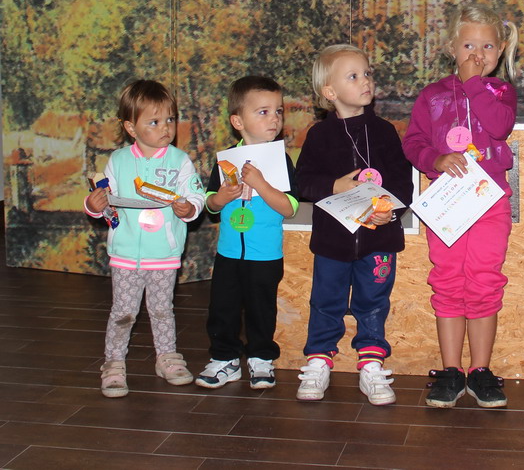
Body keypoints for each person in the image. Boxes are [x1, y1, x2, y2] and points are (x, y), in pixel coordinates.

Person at [402, 2, 518, 409]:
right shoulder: (432, 96)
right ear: (452, 48)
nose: (477, 54)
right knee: (448, 279)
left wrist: (472, 84)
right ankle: (450, 370)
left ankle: (480, 370)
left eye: (487, 47)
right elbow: (413, 142)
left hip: (489, 203)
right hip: (447, 204)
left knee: (485, 279)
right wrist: (434, 160)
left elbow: (500, 126)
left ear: (500, 51)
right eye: (468, 45)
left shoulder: (501, 92)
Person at [294, 45, 413, 405]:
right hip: (332, 242)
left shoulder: (385, 132)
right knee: (325, 301)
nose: (365, 81)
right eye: (354, 76)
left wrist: (390, 210)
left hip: (379, 239)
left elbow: (403, 182)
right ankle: (318, 361)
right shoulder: (319, 135)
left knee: (373, 302)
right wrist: (334, 186)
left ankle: (371, 365)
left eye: (367, 73)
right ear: (330, 92)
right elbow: (303, 183)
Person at [84, 80, 206, 398]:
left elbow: (196, 195)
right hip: (125, 254)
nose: (165, 128)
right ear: (131, 127)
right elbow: (106, 202)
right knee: (123, 312)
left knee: (162, 309)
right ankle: (113, 363)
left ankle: (167, 358)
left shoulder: (180, 161)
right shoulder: (118, 160)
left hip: (163, 253)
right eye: (154, 122)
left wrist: (189, 207)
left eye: (170, 119)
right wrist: (95, 205)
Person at [196, 76, 297, 390]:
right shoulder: (226, 160)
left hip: (265, 253)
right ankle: (224, 359)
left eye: (278, 111)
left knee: (261, 308)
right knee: (222, 308)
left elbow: (289, 207)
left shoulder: (281, 161)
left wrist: (261, 184)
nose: (274, 118)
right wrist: (222, 197)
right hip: (228, 253)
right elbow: (211, 205)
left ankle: (261, 359)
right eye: (263, 112)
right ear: (238, 121)